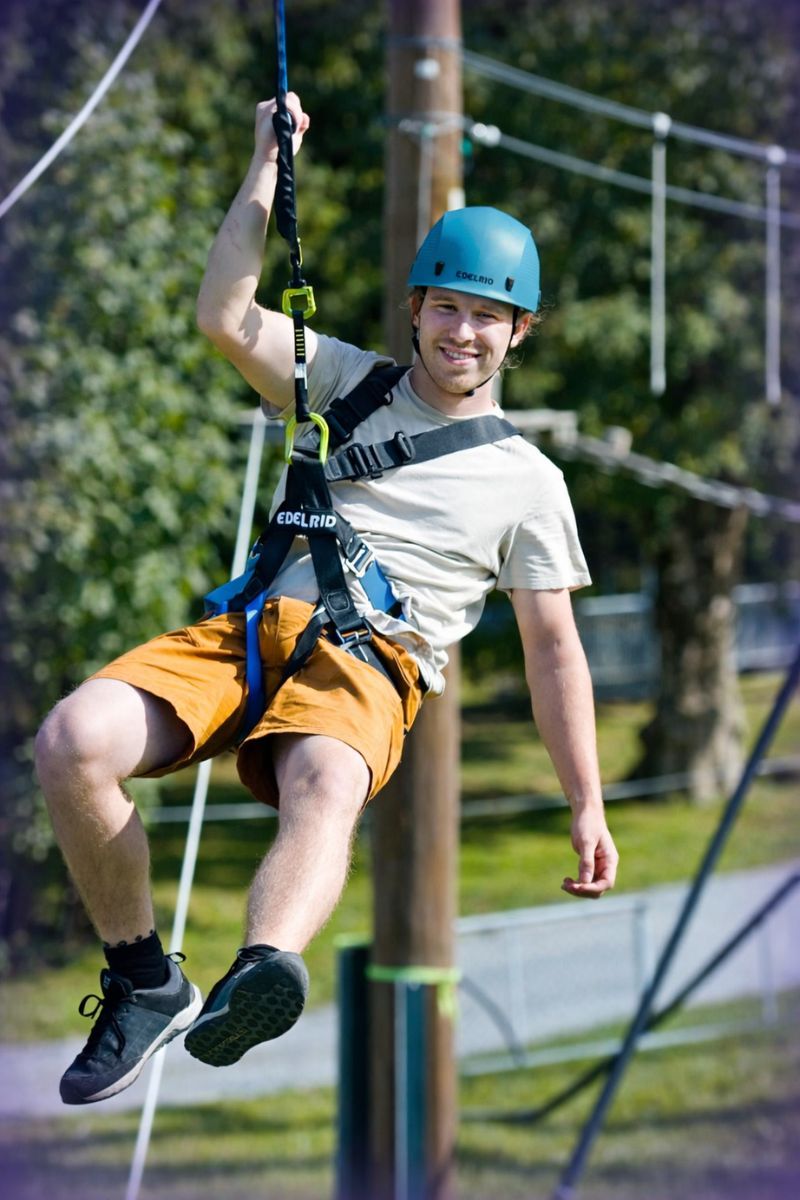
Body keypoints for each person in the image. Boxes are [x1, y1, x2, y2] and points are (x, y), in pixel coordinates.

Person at [34, 92, 618, 1107]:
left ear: (518, 332)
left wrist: (585, 803)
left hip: (371, 663)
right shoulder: (342, 381)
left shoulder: (529, 483)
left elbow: (553, 651)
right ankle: (144, 980)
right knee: (71, 742)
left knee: (323, 787)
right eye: (445, 306)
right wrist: (269, 161)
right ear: (414, 310)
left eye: (486, 316)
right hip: (250, 630)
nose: (462, 332)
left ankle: (261, 966)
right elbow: (222, 315)